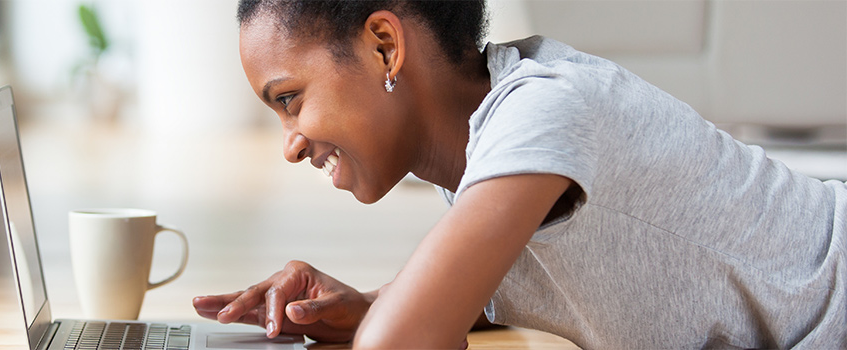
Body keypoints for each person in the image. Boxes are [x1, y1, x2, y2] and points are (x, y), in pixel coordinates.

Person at [191, 0, 847, 348]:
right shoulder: (483, 140)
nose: (290, 144)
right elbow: (478, 298)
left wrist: (398, 318)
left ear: (384, 45)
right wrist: (364, 304)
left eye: (289, 99)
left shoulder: (540, 110)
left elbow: (403, 345)